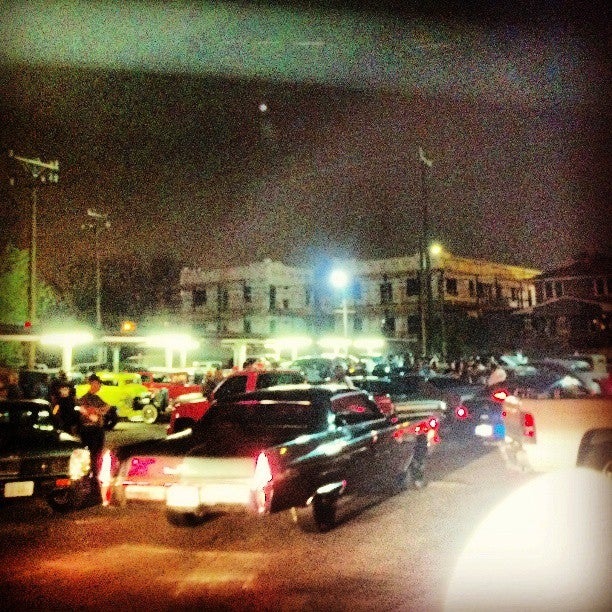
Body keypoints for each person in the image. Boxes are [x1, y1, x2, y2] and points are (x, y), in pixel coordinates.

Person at [77, 374, 111, 503]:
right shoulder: (85, 398)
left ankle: (93, 480)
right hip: (90, 431)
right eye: (97, 384)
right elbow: (83, 412)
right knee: (93, 455)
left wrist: (97, 411)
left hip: (96, 430)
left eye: (99, 384)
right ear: (92, 383)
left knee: (96, 455)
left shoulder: (96, 398)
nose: (99, 386)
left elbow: (107, 407)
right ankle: (92, 482)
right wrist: (93, 413)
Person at [50, 370, 79, 435]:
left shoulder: (56, 383)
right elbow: (74, 397)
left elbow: (53, 397)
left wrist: (53, 406)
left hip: (59, 404)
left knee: (55, 414)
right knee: (69, 419)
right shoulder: (70, 384)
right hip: (68, 404)